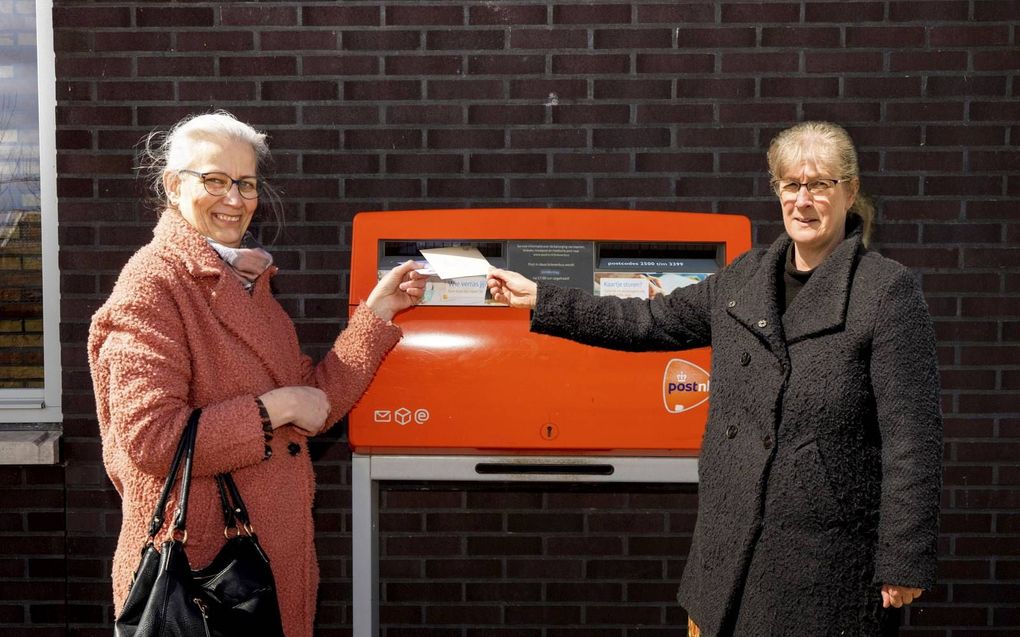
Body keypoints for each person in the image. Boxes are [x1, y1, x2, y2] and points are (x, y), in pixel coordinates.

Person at [484, 121, 942, 636]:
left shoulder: (885, 292)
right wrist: (542, 298)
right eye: (791, 185)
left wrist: (903, 556)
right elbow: (646, 321)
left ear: (850, 191)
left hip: (826, 562)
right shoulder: (744, 278)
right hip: (726, 557)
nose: (804, 200)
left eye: (821, 184)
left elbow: (913, 437)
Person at [88, 111, 426, 637]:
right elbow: (151, 440)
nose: (234, 198)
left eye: (246, 183)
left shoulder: (244, 280)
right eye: (215, 180)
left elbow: (314, 405)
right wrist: (276, 409)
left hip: (260, 570)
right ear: (174, 186)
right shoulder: (152, 285)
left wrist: (377, 316)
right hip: (201, 577)